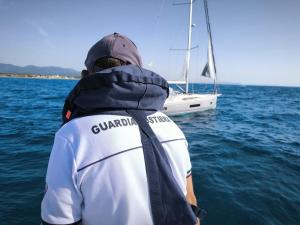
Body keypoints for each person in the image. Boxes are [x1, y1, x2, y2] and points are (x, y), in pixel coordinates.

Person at [41, 33, 203, 225]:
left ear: (85, 76)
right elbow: (190, 201)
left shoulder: (71, 136)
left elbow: (59, 221)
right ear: (138, 72)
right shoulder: (173, 127)